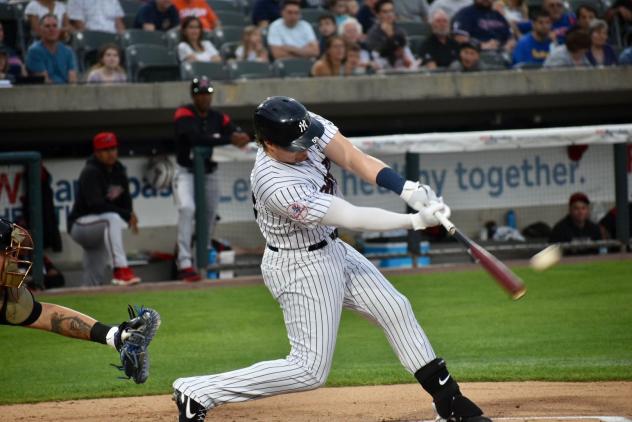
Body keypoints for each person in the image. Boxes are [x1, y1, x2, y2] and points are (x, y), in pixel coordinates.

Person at [172, 95, 493, 422]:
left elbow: (353, 158)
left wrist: (407, 189)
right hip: (299, 267)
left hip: (332, 248)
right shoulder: (275, 183)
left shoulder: (301, 121)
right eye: (295, 146)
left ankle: (449, 400)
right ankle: (199, 392)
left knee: (394, 308)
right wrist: (413, 221)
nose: (305, 149)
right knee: (308, 370)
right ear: (268, 144)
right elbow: (350, 215)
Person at [0, 218, 161, 384]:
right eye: (6, 254)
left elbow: (48, 316)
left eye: (13, 254)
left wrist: (116, 336)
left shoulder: (8, 296)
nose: (13, 262)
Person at [172, 77, 251, 282]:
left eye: (208, 93)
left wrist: (239, 135)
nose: (205, 97)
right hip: (186, 172)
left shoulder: (219, 117)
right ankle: (184, 262)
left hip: (210, 174)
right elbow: (194, 138)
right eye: (200, 93)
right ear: (193, 95)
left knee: (209, 216)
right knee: (187, 209)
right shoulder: (184, 113)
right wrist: (228, 139)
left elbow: (237, 132)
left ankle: (203, 259)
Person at [68, 132, 141, 286]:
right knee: (112, 219)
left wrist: (129, 214)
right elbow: (96, 205)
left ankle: (87, 298)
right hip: (81, 225)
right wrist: (125, 214)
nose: (111, 153)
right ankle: (120, 269)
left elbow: (126, 198)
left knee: (93, 280)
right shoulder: (91, 171)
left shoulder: (119, 169)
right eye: (106, 150)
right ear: (97, 152)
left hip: (99, 228)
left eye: (113, 148)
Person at [25, 14, 78, 84]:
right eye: (47, 26)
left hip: (67, 92)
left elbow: (73, 79)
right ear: (41, 30)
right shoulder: (34, 51)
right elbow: (44, 81)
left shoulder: (68, 51)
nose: (52, 29)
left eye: (55, 26)